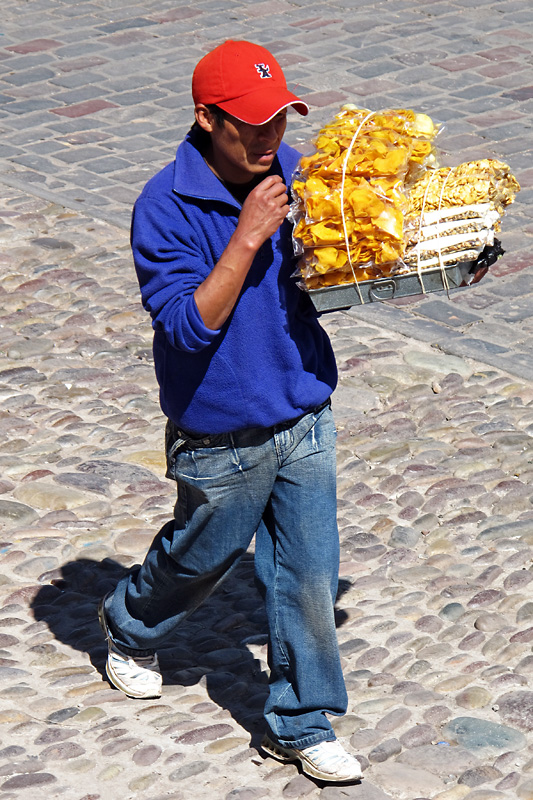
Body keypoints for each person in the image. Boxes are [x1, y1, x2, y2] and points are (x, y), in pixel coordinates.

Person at [98, 39, 361, 784]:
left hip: (302, 407)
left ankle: (300, 722)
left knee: (308, 574)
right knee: (202, 556)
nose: (270, 140)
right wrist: (248, 235)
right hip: (220, 436)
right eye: (252, 125)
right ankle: (128, 623)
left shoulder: (290, 170)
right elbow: (185, 324)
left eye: (279, 120)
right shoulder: (164, 204)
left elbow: (331, 271)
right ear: (207, 118)